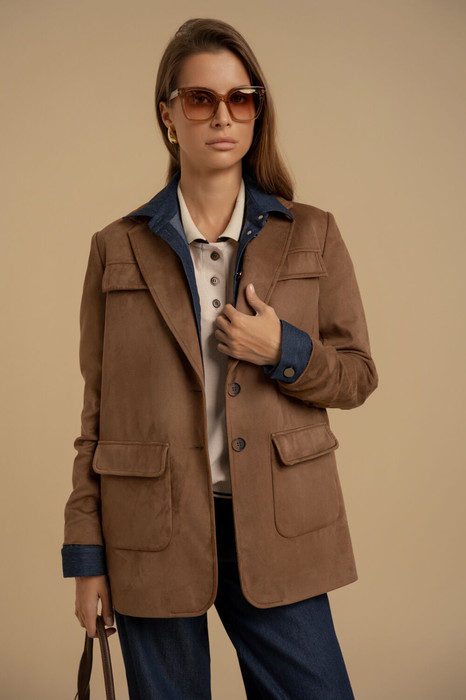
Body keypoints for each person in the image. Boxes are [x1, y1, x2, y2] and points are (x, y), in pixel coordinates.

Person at [61, 17, 378, 700]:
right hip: (153, 530)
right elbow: (97, 416)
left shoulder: (312, 233)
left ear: (258, 111)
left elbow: (356, 375)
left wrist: (284, 350)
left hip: (278, 525)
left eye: (241, 98)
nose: (223, 115)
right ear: (168, 115)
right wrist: (87, 559)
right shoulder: (116, 247)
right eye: (201, 98)